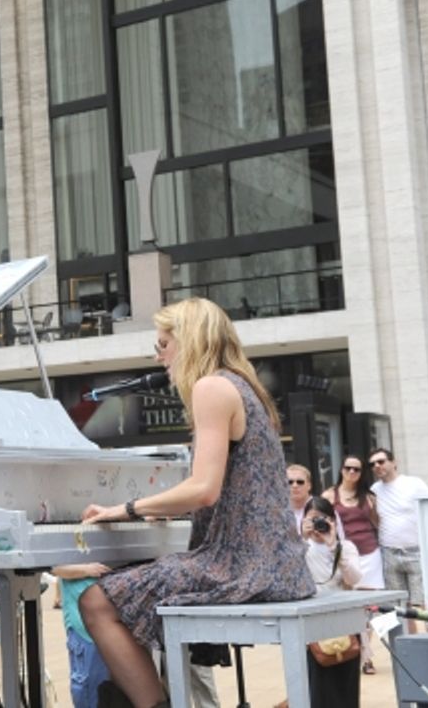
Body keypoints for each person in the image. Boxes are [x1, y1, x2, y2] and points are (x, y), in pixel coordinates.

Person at [79, 297, 314, 708]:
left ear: (190, 341)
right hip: (279, 562)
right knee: (136, 585)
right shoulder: (244, 386)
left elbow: (204, 489)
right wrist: (160, 509)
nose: (158, 356)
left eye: (164, 344)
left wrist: (125, 509)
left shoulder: (211, 387)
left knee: (96, 602)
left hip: (244, 565)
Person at [322, 454, 382, 674]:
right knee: (351, 607)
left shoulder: (368, 497)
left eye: (357, 469)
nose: (352, 473)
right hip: (346, 556)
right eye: (348, 468)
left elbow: (378, 522)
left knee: (370, 609)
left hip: (370, 554)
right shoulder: (330, 495)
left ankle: (366, 656)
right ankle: (352, 652)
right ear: (341, 469)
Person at [301, 496, 362, 707]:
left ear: (333, 521)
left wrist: (334, 546)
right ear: (303, 520)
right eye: (313, 518)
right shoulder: (299, 549)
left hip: (344, 624)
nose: (319, 524)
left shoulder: (346, 547)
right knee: (318, 689)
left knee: (346, 687)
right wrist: (300, 539)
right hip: (312, 627)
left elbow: (353, 579)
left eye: (324, 518)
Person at [369, 447, 428, 633]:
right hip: (389, 552)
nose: (377, 466)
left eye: (381, 461)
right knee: (398, 607)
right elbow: (375, 521)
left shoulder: (413, 483)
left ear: (394, 462)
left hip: (417, 551)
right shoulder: (374, 490)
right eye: (372, 464)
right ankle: (409, 648)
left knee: (426, 604)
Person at [52, 563, 112, 708]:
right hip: (84, 628)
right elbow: (54, 567)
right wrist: (87, 570)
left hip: (115, 620)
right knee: (90, 689)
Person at [286, 464, 313, 534]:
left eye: (300, 482)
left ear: (309, 485)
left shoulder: (323, 509)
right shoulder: (277, 513)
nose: (295, 485)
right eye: (290, 482)